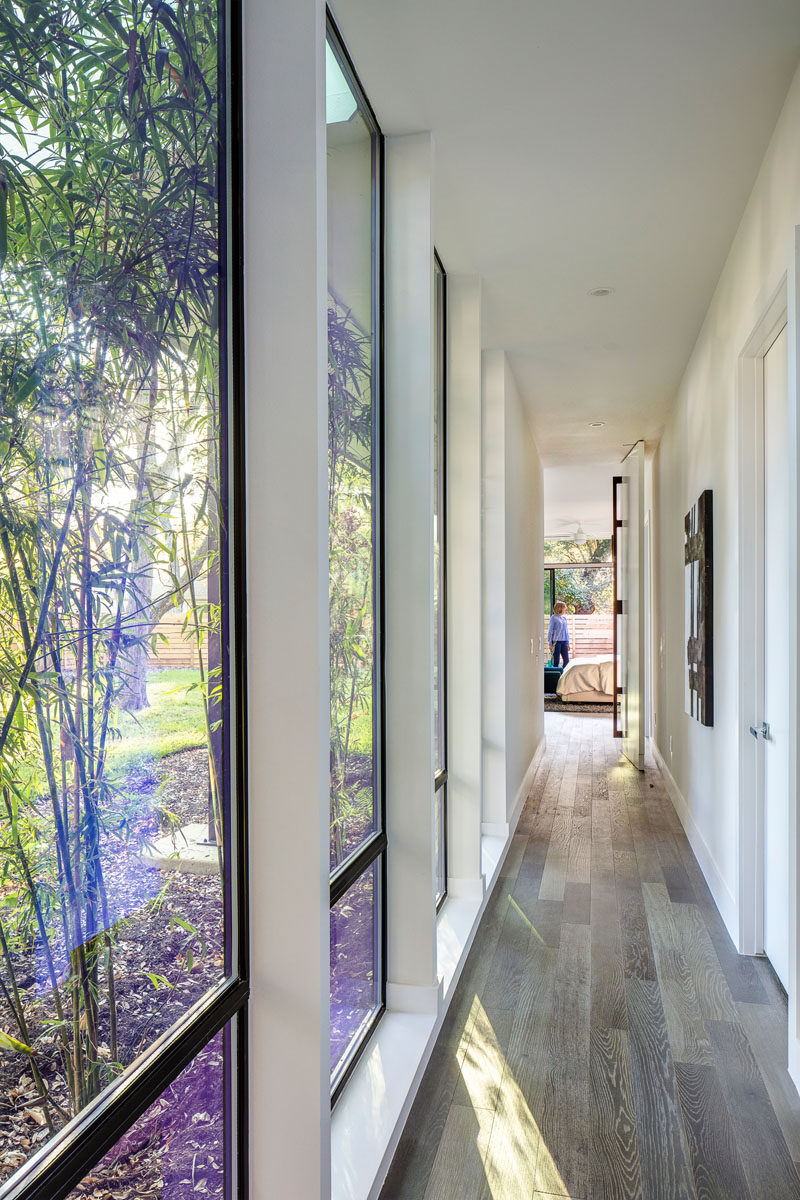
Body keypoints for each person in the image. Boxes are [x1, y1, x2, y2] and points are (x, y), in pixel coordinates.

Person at [548, 601, 570, 668]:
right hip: (556, 642)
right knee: (556, 661)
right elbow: (550, 631)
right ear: (560, 608)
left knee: (566, 660)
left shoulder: (564, 618)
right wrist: (550, 643)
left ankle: (563, 675)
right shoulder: (553, 618)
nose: (565, 609)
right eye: (564, 608)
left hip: (564, 642)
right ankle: (556, 676)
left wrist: (568, 642)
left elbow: (566, 631)